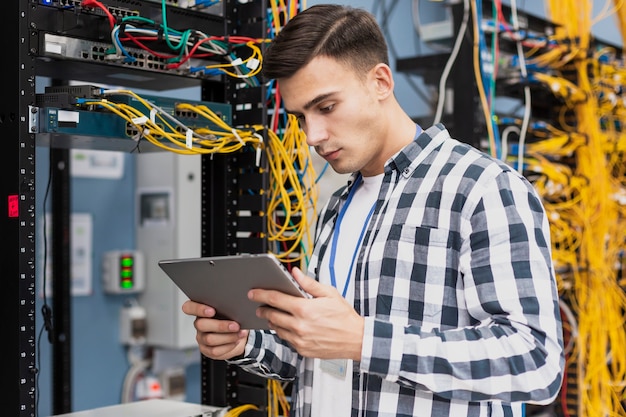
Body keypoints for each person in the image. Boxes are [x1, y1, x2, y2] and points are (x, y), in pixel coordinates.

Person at [182, 4, 565, 416]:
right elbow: (326, 356)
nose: (313, 135)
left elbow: (535, 363)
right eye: (301, 116)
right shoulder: (339, 204)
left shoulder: (482, 189)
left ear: (380, 82)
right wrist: (245, 343)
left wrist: (365, 340)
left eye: (326, 107)